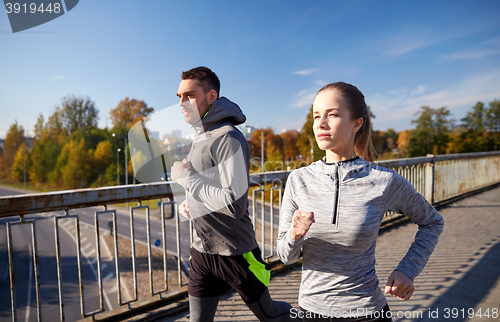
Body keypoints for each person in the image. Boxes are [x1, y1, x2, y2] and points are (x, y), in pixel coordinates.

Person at [277, 82, 444, 321]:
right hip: (309, 312)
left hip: (367, 312)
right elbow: (285, 257)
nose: (321, 124)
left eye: (332, 114)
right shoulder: (298, 180)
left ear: (357, 123)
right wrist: (294, 235)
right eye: (316, 116)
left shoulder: (383, 181)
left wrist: (408, 270)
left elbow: (432, 222)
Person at [171, 66, 299, 322]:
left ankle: (305, 315)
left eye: (189, 95)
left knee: (270, 315)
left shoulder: (229, 138)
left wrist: (186, 178)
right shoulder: (200, 136)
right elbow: (209, 188)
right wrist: (191, 203)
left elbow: (234, 204)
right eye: (179, 96)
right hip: (202, 251)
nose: (182, 102)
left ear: (211, 96)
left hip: (236, 253)